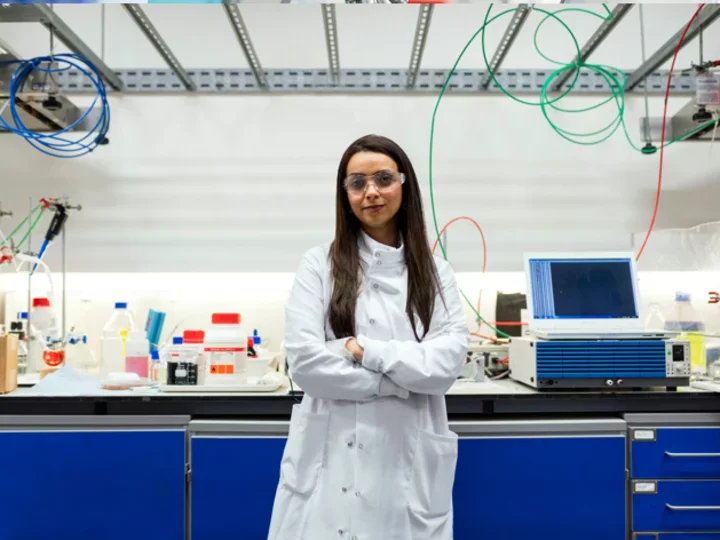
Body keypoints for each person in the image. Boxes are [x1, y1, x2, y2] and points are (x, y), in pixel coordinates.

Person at [268, 134, 469, 540]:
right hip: (328, 464)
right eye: (357, 183)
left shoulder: (435, 273)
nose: (371, 192)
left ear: (403, 183)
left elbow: (445, 367)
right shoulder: (318, 265)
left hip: (407, 467)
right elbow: (306, 364)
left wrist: (362, 350)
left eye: (383, 179)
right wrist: (398, 382)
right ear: (345, 194)